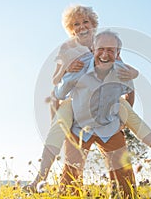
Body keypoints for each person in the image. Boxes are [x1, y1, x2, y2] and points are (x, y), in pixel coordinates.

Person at [23, 5, 151, 194]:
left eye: (86, 22)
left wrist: (122, 119)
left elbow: (126, 76)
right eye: (76, 23)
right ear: (70, 28)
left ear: (93, 25)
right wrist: (67, 67)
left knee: (124, 177)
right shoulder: (68, 48)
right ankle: (40, 179)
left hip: (107, 116)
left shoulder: (106, 46)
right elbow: (56, 83)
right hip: (78, 110)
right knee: (70, 170)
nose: (82, 26)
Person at [58, 30, 136, 197]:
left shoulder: (122, 72)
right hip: (79, 128)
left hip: (109, 127)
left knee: (124, 176)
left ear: (118, 53)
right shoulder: (78, 68)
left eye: (111, 50)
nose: (105, 54)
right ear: (93, 49)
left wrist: (123, 120)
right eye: (101, 49)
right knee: (71, 176)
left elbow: (130, 91)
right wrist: (65, 72)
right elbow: (59, 94)